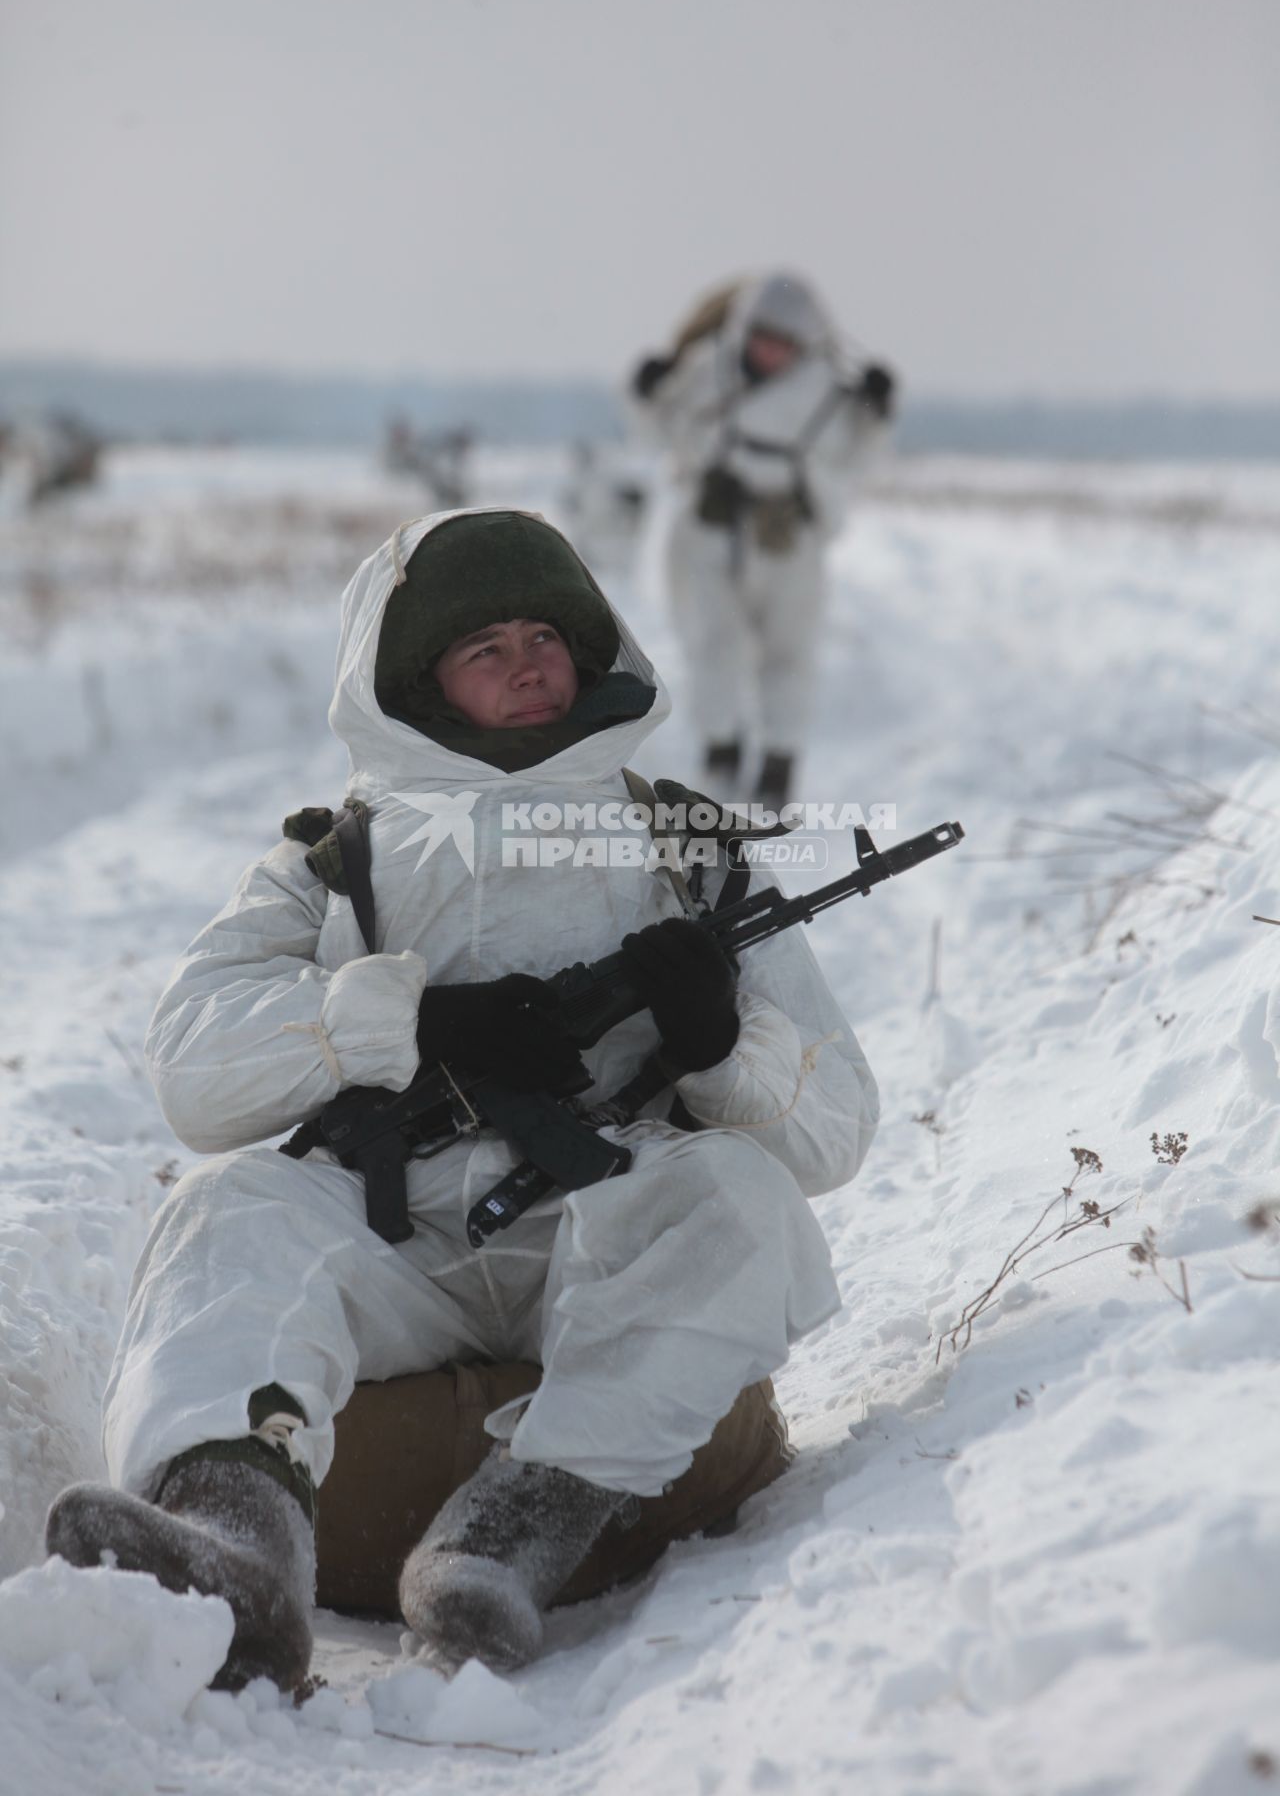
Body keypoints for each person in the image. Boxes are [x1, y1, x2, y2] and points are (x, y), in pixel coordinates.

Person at [45, 506, 879, 1688]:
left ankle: (504, 1542)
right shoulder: (335, 863)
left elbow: (837, 1125)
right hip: (396, 1233)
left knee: (740, 1195)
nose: (528, 659)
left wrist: (719, 1048)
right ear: (414, 683)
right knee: (227, 1205)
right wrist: (401, 1023)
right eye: (483, 645)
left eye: (544, 631)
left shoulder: (686, 844)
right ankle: (234, 1559)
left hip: (605, 1231)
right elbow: (190, 1064)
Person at [630, 272, 896, 814]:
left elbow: (861, 457)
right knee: (711, 644)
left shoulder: (827, 391)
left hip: (789, 542)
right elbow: (658, 432)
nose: (771, 352)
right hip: (707, 531)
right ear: (744, 330)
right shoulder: (705, 373)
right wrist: (645, 390)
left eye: (785, 343)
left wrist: (878, 410)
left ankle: (779, 766)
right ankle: (720, 756)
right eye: (762, 337)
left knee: (789, 654)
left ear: (806, 345)